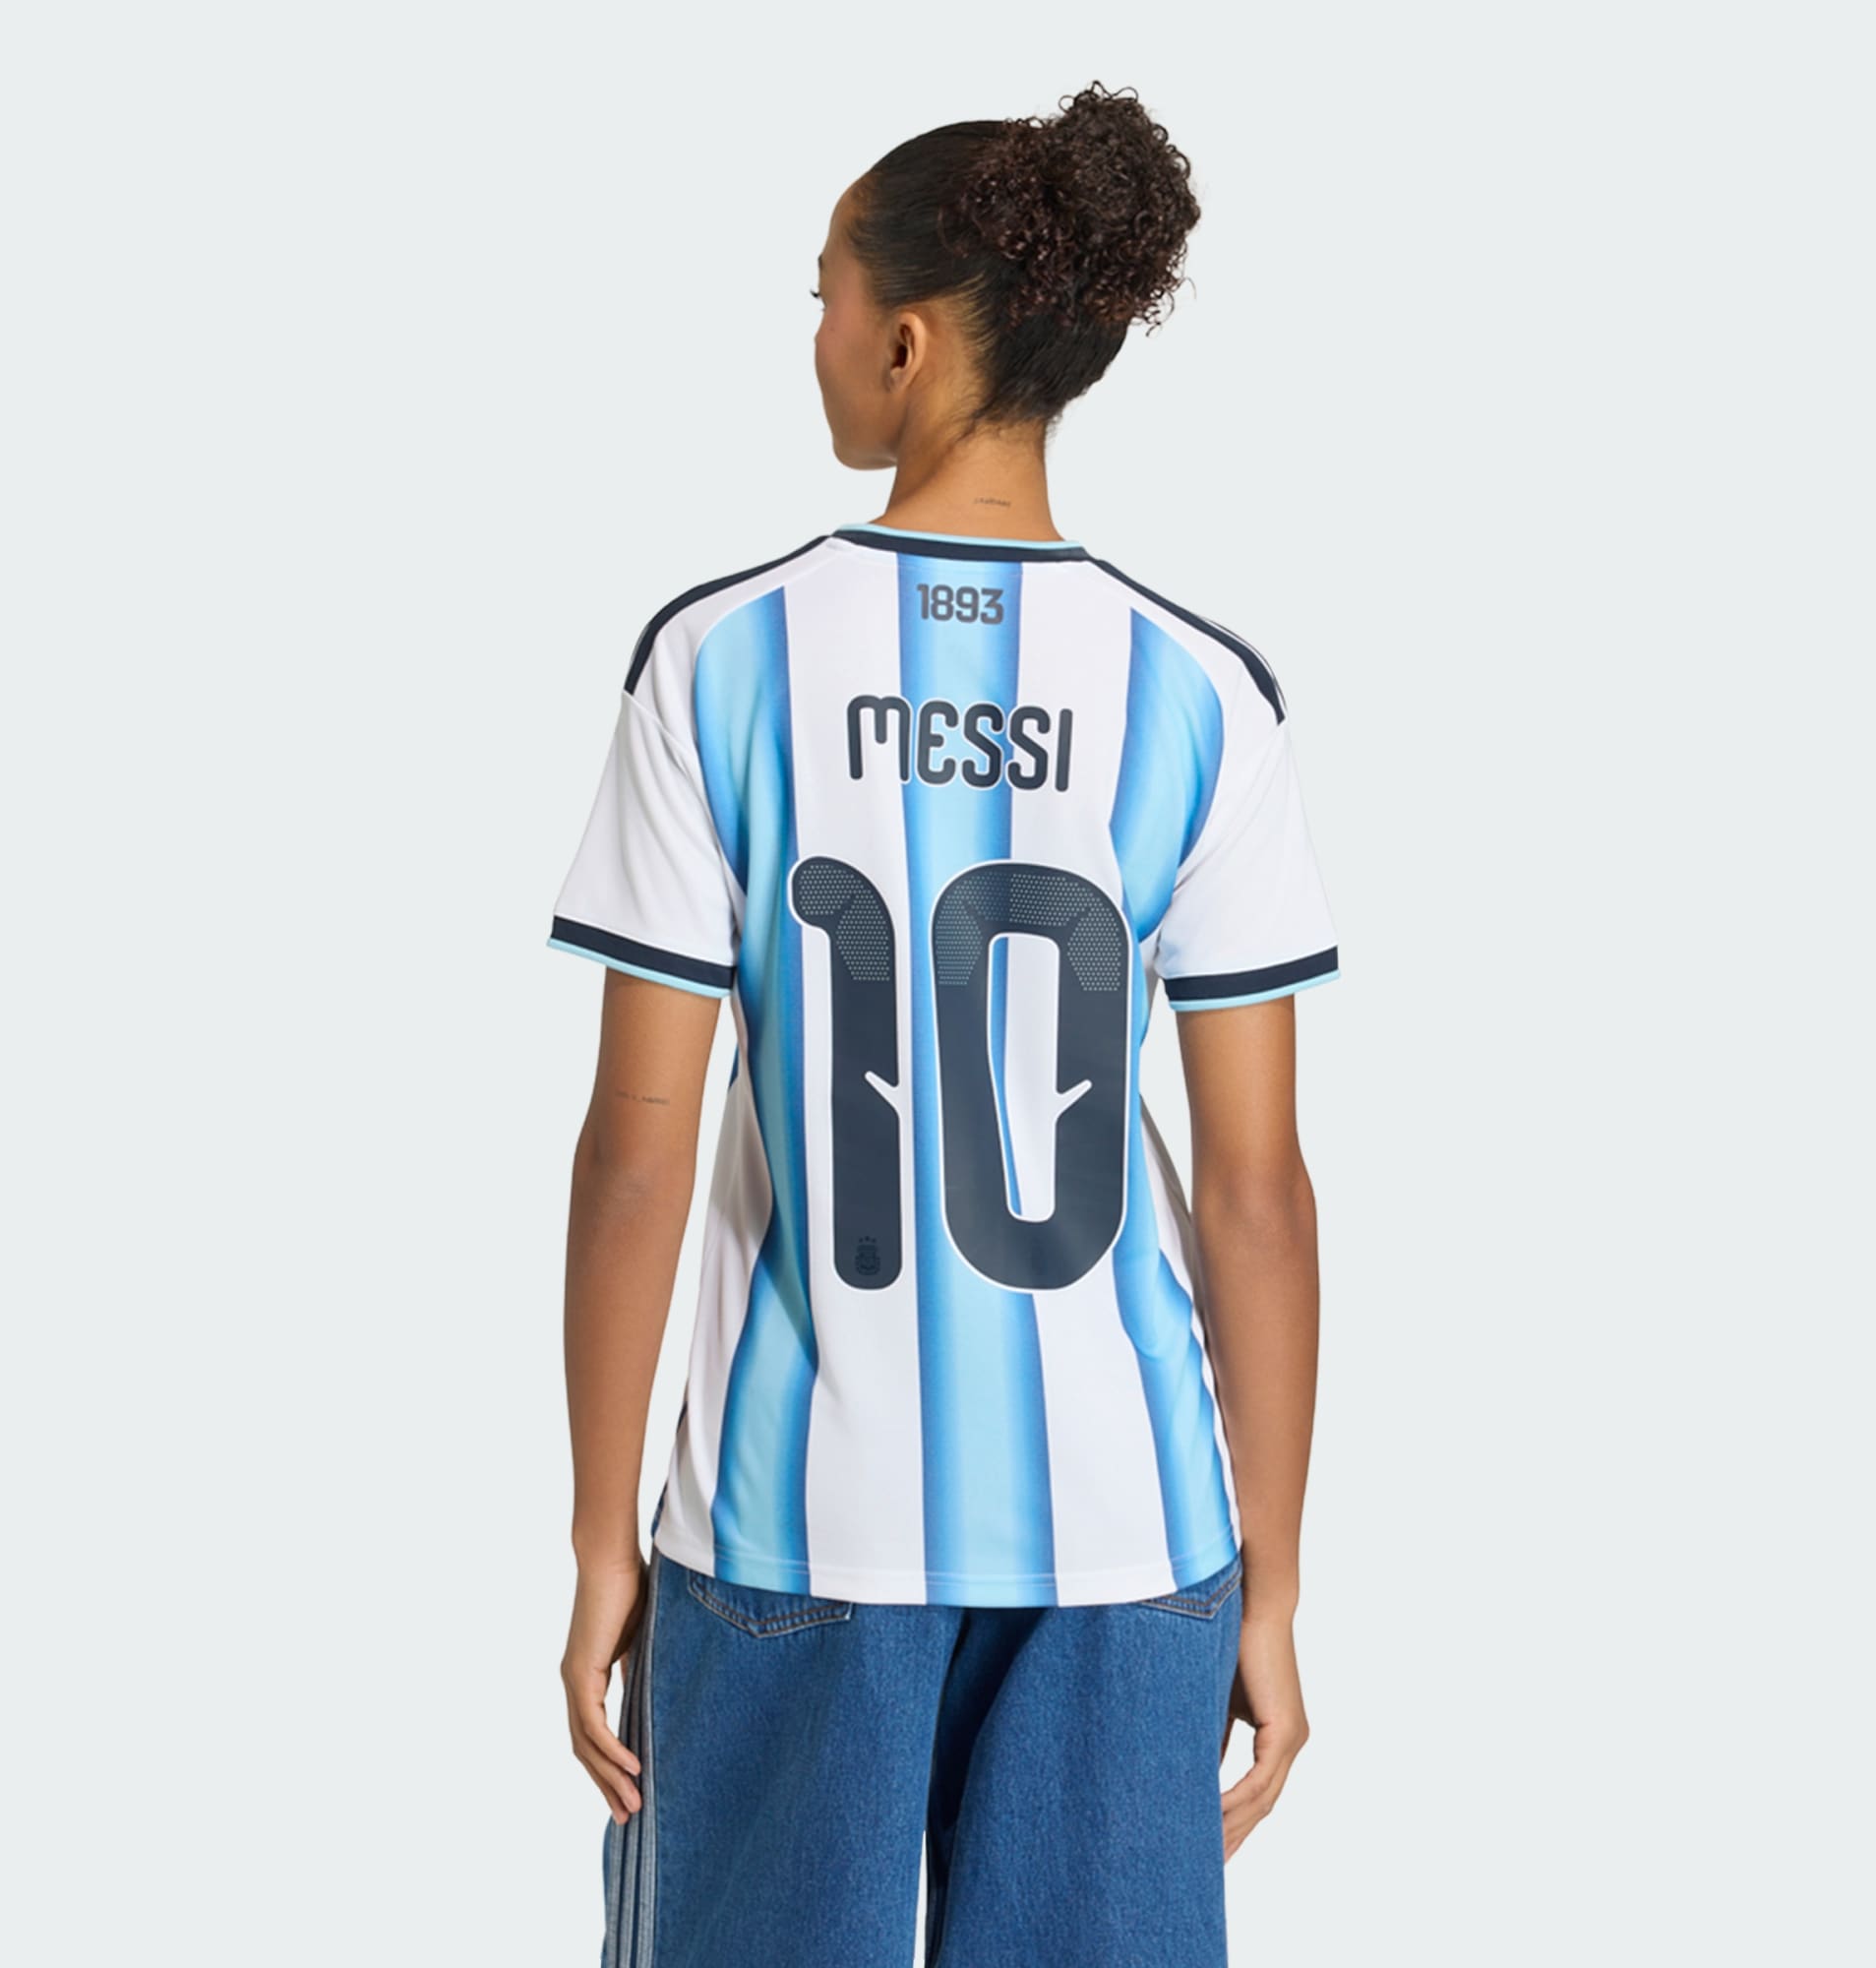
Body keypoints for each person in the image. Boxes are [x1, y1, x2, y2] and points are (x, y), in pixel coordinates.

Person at [549, 82, 1339, 1968]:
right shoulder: (1200, 691)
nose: (813, 331)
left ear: (903, 343)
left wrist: (595, 1541)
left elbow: (639, 1152)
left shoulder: (720, 659)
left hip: (788, 1520)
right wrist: (1277, 1579)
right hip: (1130, 1534)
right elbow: (1256, 1190)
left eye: (820, 292)